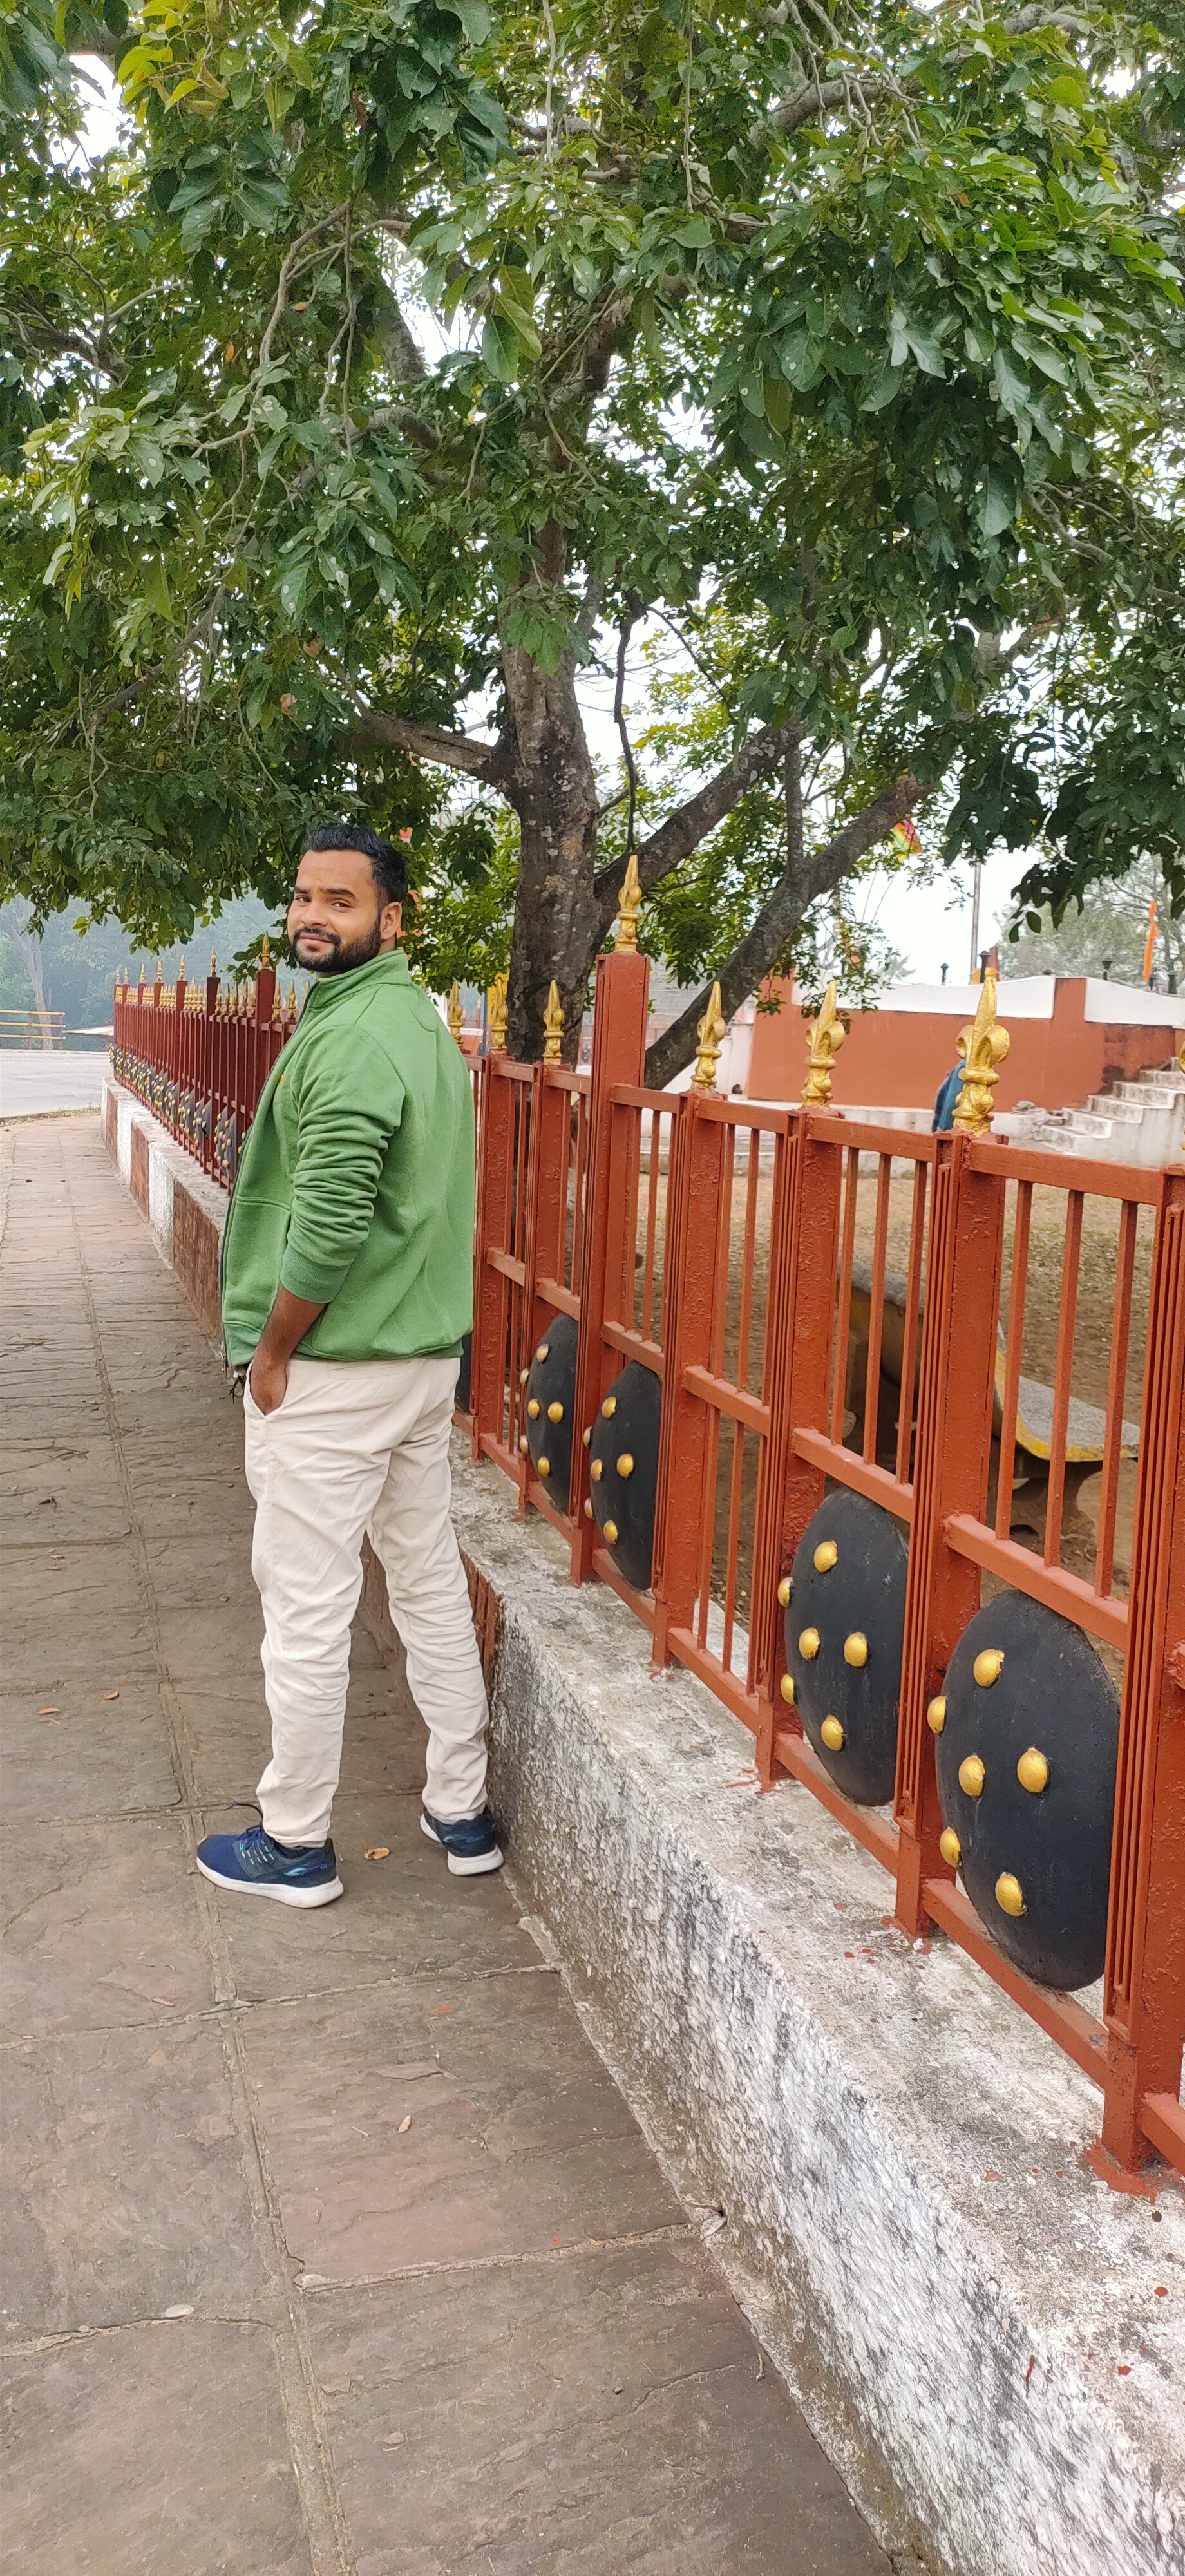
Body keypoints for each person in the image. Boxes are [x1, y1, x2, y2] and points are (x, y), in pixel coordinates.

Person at [195, 824, 499, 1908]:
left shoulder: (360, 1036)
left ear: (391, 919)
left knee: (308, 1609)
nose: (313, 917)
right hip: (416, 1360)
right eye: (303, 897)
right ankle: (462, 1811)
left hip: (337, 1370)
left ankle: (296, 1841)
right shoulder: (414, 1018)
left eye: (341, 901)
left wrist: (273, 1352)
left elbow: (329, 1223)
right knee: (424, 1581)